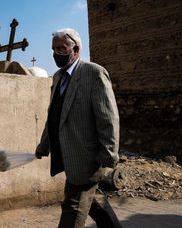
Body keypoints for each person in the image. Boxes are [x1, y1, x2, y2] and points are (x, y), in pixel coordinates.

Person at [35, 28, 122, 228]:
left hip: (88, 159)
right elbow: (54, 116)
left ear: (76, 49)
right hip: (68, 157)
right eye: (54, 49)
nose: (56, 53)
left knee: (73, 210)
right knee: (95, 202)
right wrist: (44, 145)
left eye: (61, 48)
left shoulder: (94, 73)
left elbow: (108, 118)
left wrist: (108, 155)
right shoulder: (57, 78)